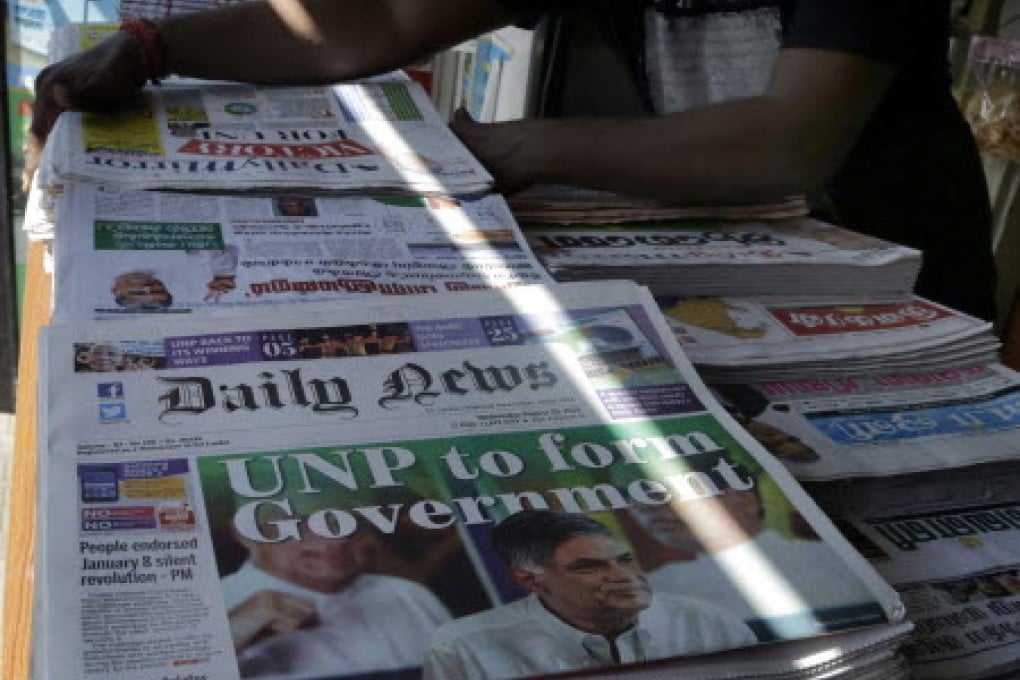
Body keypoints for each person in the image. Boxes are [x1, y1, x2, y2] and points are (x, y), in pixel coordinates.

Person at [25, 0, 996, 319]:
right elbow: (364, 23)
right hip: (725, 251)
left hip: (892, 279)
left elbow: (787, 144)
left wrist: (508, 148)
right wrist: (159, 46)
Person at [424, 510, 755, 680]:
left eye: (625, 560)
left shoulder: (707, 621)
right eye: (588, 567)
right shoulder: (462, 645)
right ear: (532, 581)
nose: (622, 576)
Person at [220, 519, 451, 678]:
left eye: (349, 520)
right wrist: (228, 638)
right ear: (245, 531)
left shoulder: (409, 594)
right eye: (301, 522)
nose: (336, 539)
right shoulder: (214, 607)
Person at [626, 485, 879, 629]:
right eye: (635, 502)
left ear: (745, 499)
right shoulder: (655, 588)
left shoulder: (835, 561)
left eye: (663, 495)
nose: (647, 510)